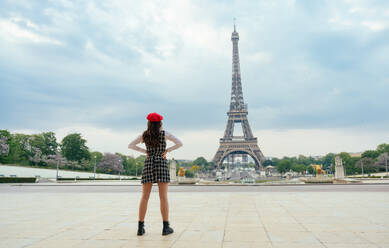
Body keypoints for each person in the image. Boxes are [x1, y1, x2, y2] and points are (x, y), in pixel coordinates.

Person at [128, 112, 183, 236]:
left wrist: (145, 151)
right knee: (163, 197)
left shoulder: (144, 134)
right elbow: (179, 143)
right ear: (160, 123)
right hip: (161, 163)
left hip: (149, 163)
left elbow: (131, 145)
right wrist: (167, 150)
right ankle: (165, 227)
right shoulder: (165, 134)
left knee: (144, 197)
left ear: (148, 123)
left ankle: (140, 228)